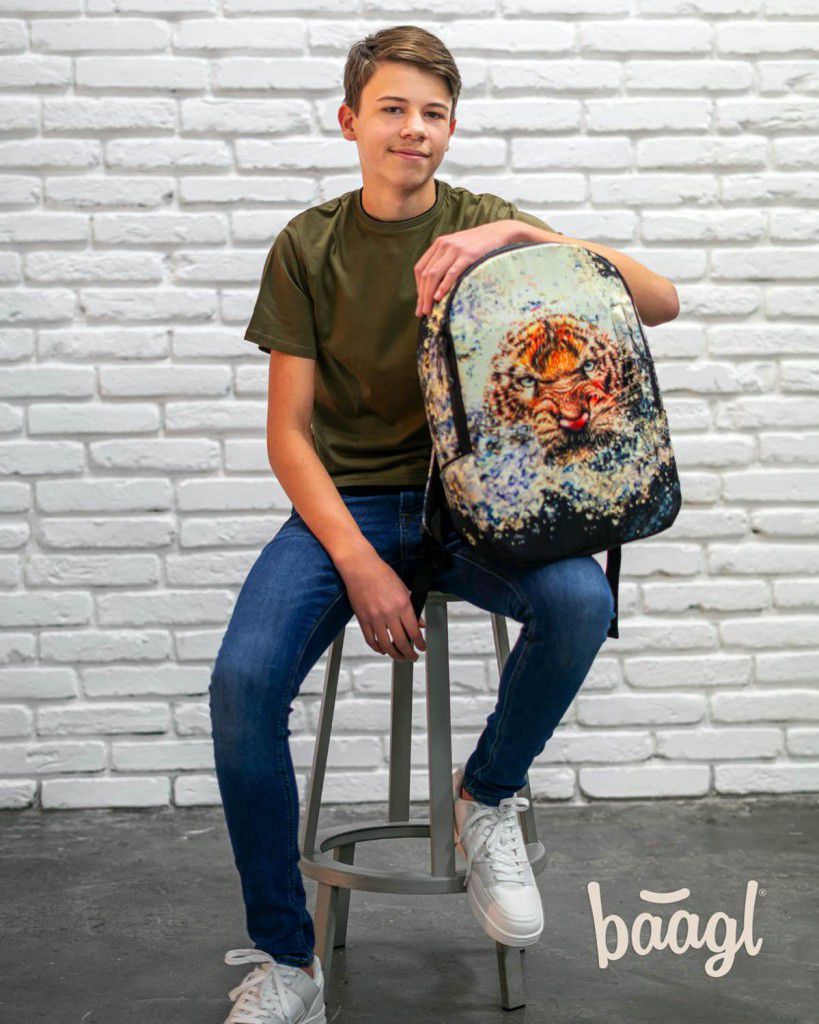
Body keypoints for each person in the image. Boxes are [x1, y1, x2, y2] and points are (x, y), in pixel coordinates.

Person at [208, 24, 680, 1024]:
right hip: (348, 506)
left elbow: (659, 300)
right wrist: (358, 565)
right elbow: (288, 435)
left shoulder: (482, 224)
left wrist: (516, 237)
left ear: (451, 129)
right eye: (392, 109)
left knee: (581, 601)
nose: (413, 129)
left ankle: (486, 795)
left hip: (475, 509)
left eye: (433, 113)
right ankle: (289, 961)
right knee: (242, 685)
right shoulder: (308, 246)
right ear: (350, 121)